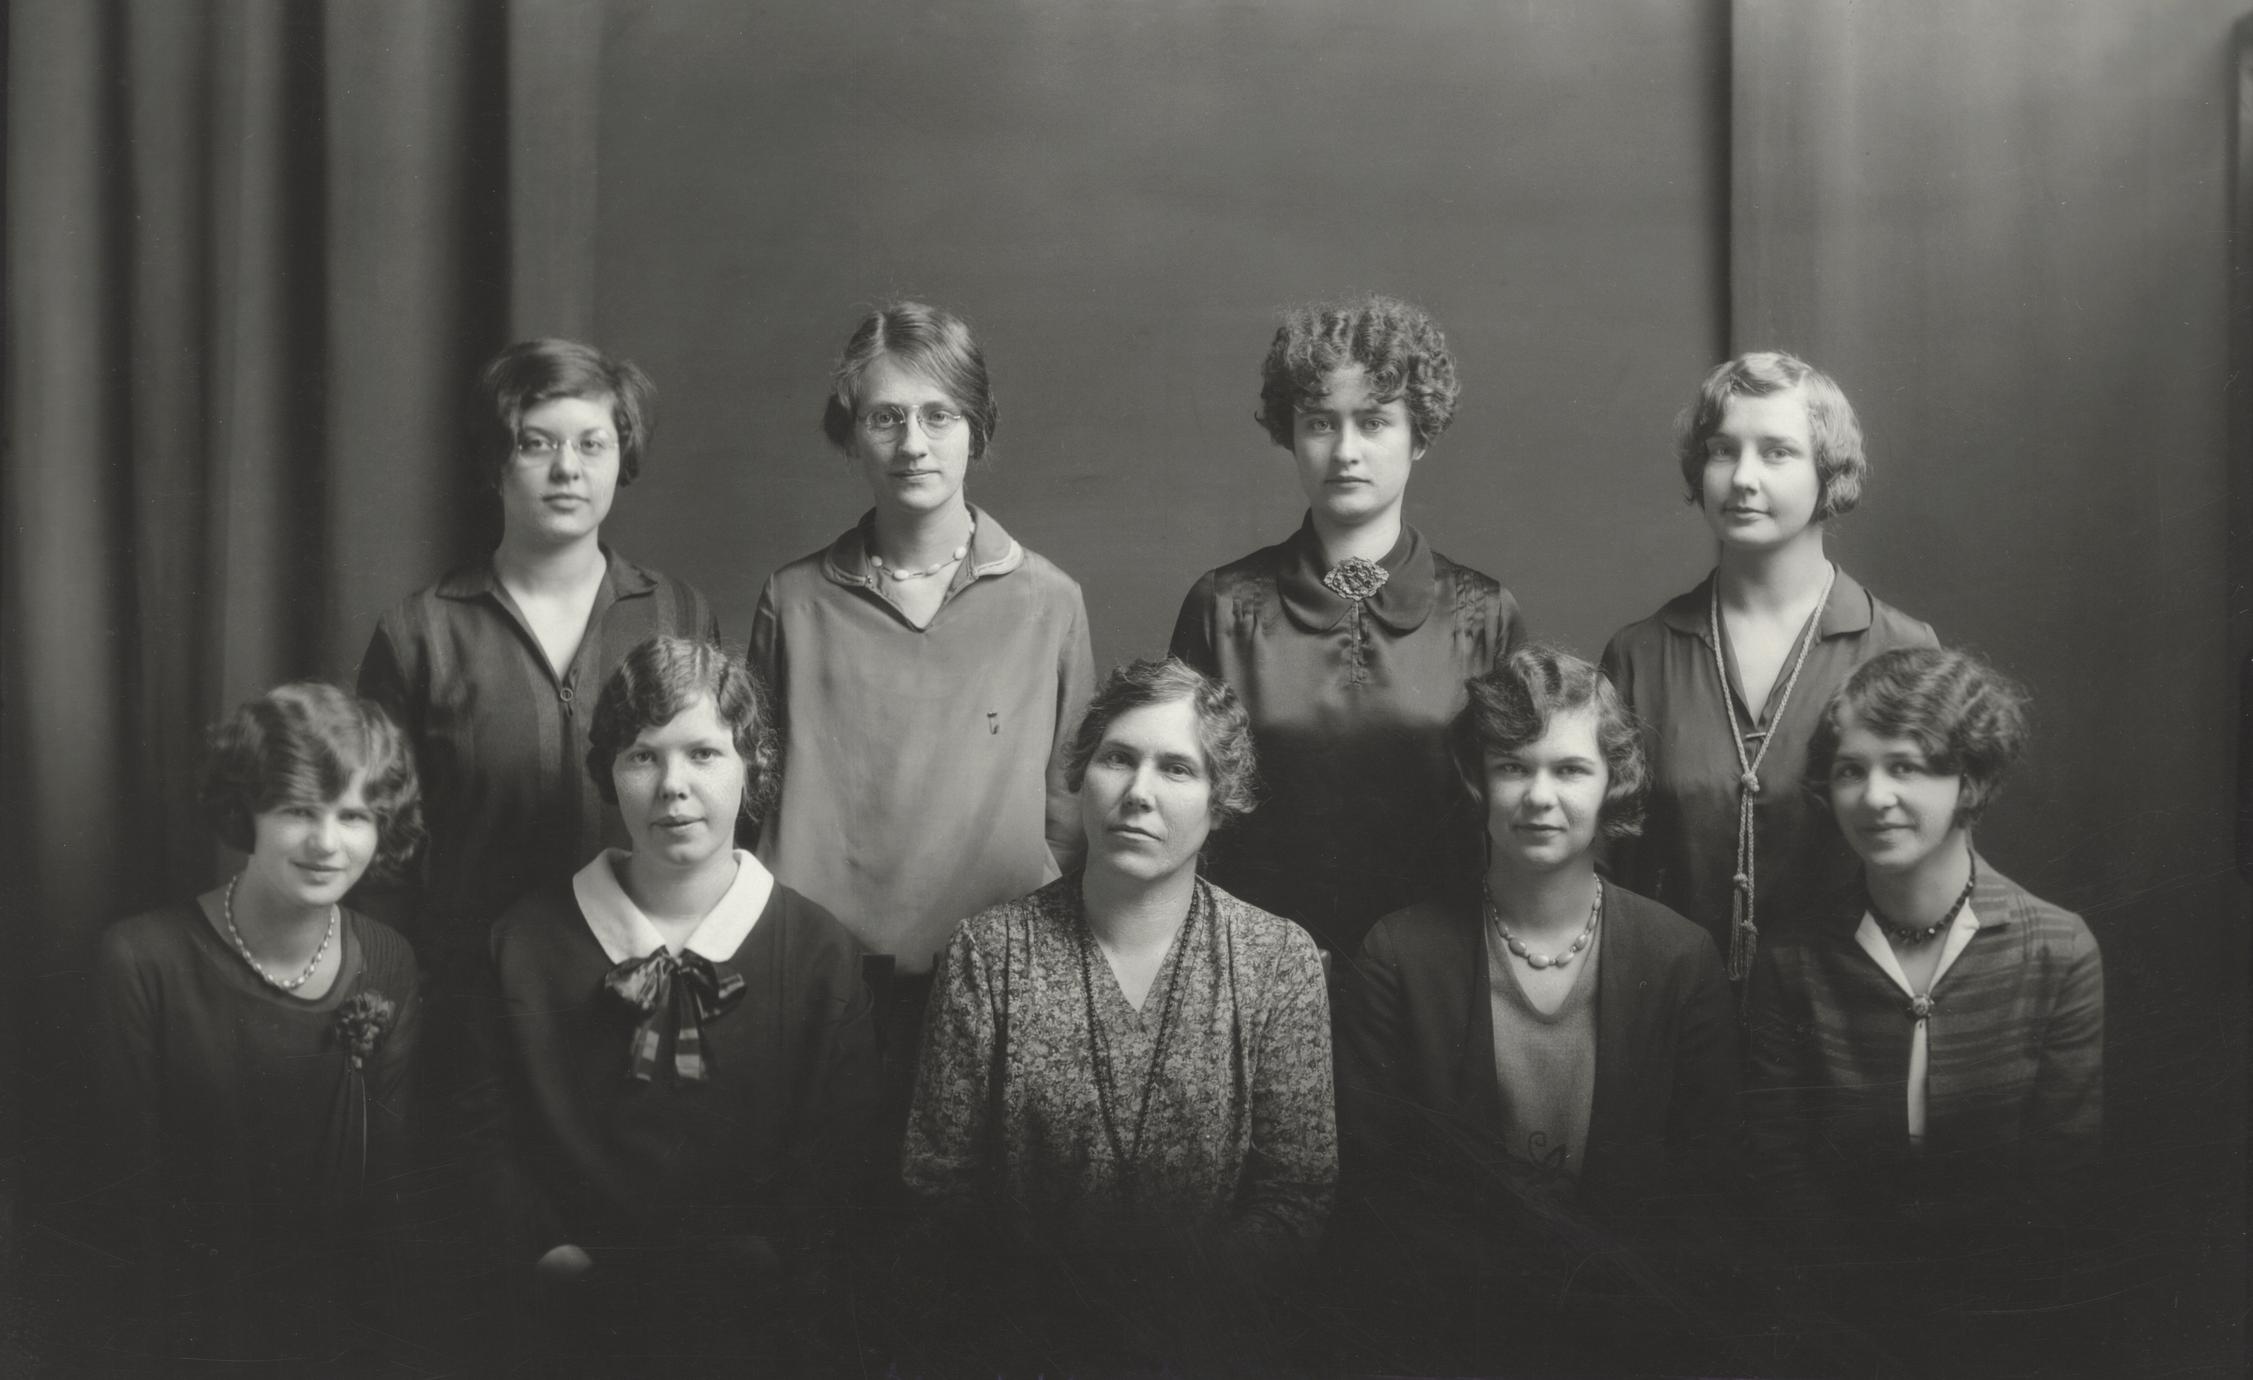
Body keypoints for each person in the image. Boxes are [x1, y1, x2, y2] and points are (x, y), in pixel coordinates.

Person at [901, 658, 1335, 1371]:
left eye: (1177, 769)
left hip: (1205, 1349)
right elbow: (937, 1184)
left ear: (1220, 800)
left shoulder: (1275, 959)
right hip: (1023, 1348)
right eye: (1118, 759)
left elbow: (1296, 1193)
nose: (1138, 793)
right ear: (1081, 776)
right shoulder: (990, 950)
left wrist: (1174, 1321)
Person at [1331, 646, 1740, 1374]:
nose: (1539, 797)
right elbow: (1378, 1187)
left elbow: (1706, 1194)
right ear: (1477, 779)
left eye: (1570, 769)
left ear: (1613, 782)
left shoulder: (1681, 958)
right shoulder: (1398, 953)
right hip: (1452, 1337)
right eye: (1513, 767)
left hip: (1632, 1341)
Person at [476, 636, 881, 1368]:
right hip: (570, 1327)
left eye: (703, 753)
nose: (673, 785)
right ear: (608, 773)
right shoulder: (523, 944)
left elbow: (838, 1165)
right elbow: (486, 1139)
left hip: (760, 1333)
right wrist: (548, 1254)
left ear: (752, 765)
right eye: (642, 756)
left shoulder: (820, 953)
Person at [749, 301, 1094, 1084]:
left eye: (939, 415)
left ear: (978, 428)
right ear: (851, 433)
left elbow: (1068, 807)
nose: (912, 444)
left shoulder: (1048, 600)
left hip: (996, 981)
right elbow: (753, 795)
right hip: (817, 980)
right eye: (886, 417)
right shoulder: (793, 600)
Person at [1744, 646, 2105, 1371]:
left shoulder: (2058, 950)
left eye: (1905, 766)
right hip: (1832, 1326)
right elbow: (1778, 1170)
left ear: (1968, 779)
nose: (1873, 797)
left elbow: (2058, 1178)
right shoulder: (1792, 957)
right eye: (1851, 770)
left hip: (2002, 1328)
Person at [357, 338, 721, 983]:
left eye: (592, 444)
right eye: (536, 444)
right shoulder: (420, 633)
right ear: (496, 461)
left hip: (647, 986)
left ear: (622, 455)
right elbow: (380, 847)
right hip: (471, 993)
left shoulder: (680, 616)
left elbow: (721, 815)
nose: (567, 469)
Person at [1171, 294, 1523, 957]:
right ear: (1290, 434)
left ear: (1420, 435)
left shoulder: (1482, 613)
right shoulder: (1222, 605)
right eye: (1320, 423)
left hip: (1435, 968)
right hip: (1256, 966)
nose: (1345, 451)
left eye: (1374, 422)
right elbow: (1184, 810)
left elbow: (1510, 823)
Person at [90, 682, 424, 1367]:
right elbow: (124, 1213)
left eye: (354, 815)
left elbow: (383, 1202)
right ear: (246, 810)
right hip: (184, 1337)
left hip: (339, 1338)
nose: (326, 843)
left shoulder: (389, 960)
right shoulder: (140, 960)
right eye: (298, 809)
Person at [1602, 351, 1936, 979]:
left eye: (1777, 452)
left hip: (1842, 1009)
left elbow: (1928, 863)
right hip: (1671, 1005)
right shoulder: (1640, 654)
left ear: (1828, 472)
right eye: (1723, 451)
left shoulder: (1901, 650)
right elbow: (1611, 863)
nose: (1742, 478)